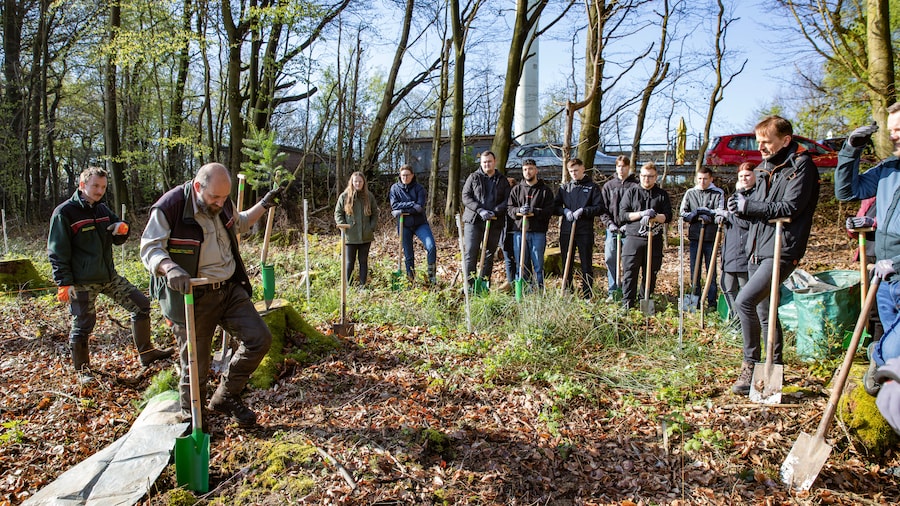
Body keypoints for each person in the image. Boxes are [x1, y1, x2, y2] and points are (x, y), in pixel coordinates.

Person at [140, 162, 282, 426]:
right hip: (192, 295)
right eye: (214, 197)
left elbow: (240, 223)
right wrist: (169, 267)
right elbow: (150, 248)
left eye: (224, 197)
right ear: (198, 186)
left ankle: (226, 396)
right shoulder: (170, 207)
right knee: (196, 365)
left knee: (259, 339)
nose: (220, 203)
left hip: (229, 289)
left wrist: (264, 203)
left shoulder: (222, 202)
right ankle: (193, 419)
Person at [48, 167, 172, 384]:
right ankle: (83, 372)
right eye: (95, 186)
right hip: (81, 282)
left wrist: (122, 229)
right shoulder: (64, 213)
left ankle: (147, 353)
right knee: (83, 324)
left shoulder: (102, 209)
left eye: (103, 187)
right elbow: (57, 251)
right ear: (82, 185)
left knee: (141, 305)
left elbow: (117, 235)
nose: (99, 191)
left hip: (108, 276)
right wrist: (64, 283)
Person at [729, 115, 819, 395]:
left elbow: (790, 207)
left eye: (766, 142)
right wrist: (741, 205)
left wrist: (750, 207)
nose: (760, 147)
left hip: (783, 247)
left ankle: (750, 364)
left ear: (785, 140)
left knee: (744, 301)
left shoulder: (801, 167)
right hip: (757, 246)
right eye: (758, 142)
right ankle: (774, 368)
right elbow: (760, 207)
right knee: (764, 311)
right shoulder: (765, 168)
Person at [835, 108, 900, 395]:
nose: (893, 135)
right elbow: (847, 191)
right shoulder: (889, 169)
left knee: (893, 347)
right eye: (892, 129)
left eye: (899, 129)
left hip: (897, 267)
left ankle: (879, 353)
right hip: (885, 277)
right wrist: (851, 149)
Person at [619, 162, 673, 309]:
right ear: (639, 176)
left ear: (656, 177)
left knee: (651, 273)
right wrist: (641, 214)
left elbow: (668, 216)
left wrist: (654, 216)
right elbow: (623, 215)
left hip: (654, 239)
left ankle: (645, 302)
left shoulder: (661, 195)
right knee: (630, 272)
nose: (646, 179)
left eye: (650, 176)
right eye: (643, 176)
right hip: (633, 238)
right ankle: (627, 304)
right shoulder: (631, 192)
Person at [554, 157, 604, 298]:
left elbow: (600, 207)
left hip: (584, 231)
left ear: (583, 169)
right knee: (566, 261)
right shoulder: (565, 188)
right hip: (567, 230)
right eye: (571, 171)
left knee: (586, 263)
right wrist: (564, 211)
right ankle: (568, 291)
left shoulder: (592, 187)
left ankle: (587, 294)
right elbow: (555, 206)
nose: (574, 173)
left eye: (576, 170)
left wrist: (584, 211)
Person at [461, 151, 510, 289]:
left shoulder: (502, 180)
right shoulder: (473, 177)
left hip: (494, 222)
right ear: (481, 163)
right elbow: (466, 196)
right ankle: (470, 286)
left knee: (489, 254)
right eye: (484, 162)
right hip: (474, 221)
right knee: (471, 252)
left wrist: (495, 211)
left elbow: (508, 200)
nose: (487, 164)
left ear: (494, 162)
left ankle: (483, 285)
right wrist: (480, 210)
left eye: (489, 161)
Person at [679, 166, 726, 309]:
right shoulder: (690, 192)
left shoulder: (718, 192)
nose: (702, 181)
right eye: (699, 178)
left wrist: (709, 214)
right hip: (695, 236)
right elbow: (683, 212)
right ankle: (695, 302)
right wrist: (694, 215)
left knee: (711, 271)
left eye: (705, 179)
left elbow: (720, 211)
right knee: (695, 271)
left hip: (711, 238)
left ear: (711, 179)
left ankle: (711, 302)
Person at [507, 159, 555, 291]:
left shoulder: (545, 191)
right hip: (519, 232)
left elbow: (549, 211)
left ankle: (539, 291)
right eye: (525, 169)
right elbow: (510, 209)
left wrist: (533, 211)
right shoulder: (517, 190)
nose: (528, 172)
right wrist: (519, 211)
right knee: (521, 264)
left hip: (538, 232)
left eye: (530, 169)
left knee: (538, 265)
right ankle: (523, 291)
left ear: (536, 170)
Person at [716, 163, 756, 318]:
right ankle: (735, 318)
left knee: (745, 289)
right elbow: (733, 220)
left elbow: (748, 223)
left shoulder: (756, 198)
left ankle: (744, 320)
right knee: (727, 286)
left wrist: (729, 216)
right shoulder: (735, 196)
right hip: (730, 250)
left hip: (745, 250)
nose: (744, 179)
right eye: (741, 176)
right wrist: (723, 218)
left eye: (747, 175)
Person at [599, 155, 640, 299]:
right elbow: (603, 208)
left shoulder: (636, 186)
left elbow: (638, 209)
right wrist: (609, 223)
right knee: (610, 258)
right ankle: (613, 291)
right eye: (619, 166)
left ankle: (628, 292)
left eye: (624, 166)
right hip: (612, 229)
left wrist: (629, 225)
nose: (621, 169)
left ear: (629, 167)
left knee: (629, 261)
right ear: (616, 167)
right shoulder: (609, 186)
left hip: (630, 230)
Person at [389, 165, 437, 285]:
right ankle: (411, 280)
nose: (405, 177)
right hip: (404, 224)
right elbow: (394, 205)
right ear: (400, 176)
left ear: (412, 175)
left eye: (407, 175)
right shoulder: (395, 188)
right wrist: (411, 204)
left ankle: (432, 278)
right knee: (408, 254)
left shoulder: (419, 188)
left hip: (420, 223)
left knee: (431, 246)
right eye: (403, 175)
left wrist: (401, 210)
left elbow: (419, 207)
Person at [335, 171, 379, 287]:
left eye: (360, 181)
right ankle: (348, 286)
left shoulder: (369, 196)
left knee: (363, 261)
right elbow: (338, 213)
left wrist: (371, 227)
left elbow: (375, 213)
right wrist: (343, 226)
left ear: (363, 182)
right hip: (350, 235)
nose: (358, 184)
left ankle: (362, 285)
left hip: (366, 235)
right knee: (350, 262)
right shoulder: (344, 196)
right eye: (356, 181)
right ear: (352, 182)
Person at [501, 176, 520, 291]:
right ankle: (511, 283)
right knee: (509, 259)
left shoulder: (518, 197)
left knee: (517, 259)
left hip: (516, 231)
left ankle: (517, 283)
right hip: (505, 232)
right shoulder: (502, 199)